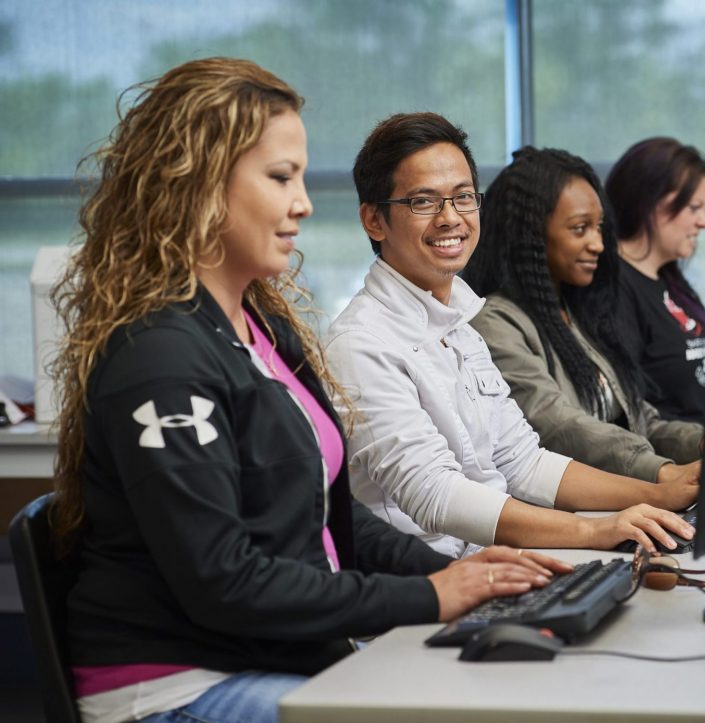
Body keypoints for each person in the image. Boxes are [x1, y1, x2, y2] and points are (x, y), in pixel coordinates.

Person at [48, 59, 564, 723]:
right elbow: (225, 580)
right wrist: (431, 596)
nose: (303, 203)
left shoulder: (260, 329)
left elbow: (327, 513)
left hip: (273, 657)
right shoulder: (160, 355)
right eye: (280, 177)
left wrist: (458, 576)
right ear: (199, 183)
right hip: (178, 686)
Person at [327, 112, 697, 561]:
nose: (451, 218)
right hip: (424, 583)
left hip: (493, 563)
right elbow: (434, 493)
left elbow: (524, 462)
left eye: (464, 197)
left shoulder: (460, 324)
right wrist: (594, 531)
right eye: (424, 202)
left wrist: (659, 495)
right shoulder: (359, 343)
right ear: (374, 220)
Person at [463, 146, 703, 490]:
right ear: (531, 235)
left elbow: (641, 421)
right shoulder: (496, 323)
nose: (598, 244)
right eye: (580, 229)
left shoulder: (576, 312)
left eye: (598, 227)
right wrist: (660, 471)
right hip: (570, 506)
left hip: (622, 493)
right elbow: (556, 424)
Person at [604, 137, 705, 423]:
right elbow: (631, 409)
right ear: (650, 203)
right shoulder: (615, 287)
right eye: (694, 208)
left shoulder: (670, 277)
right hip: (673, 448)